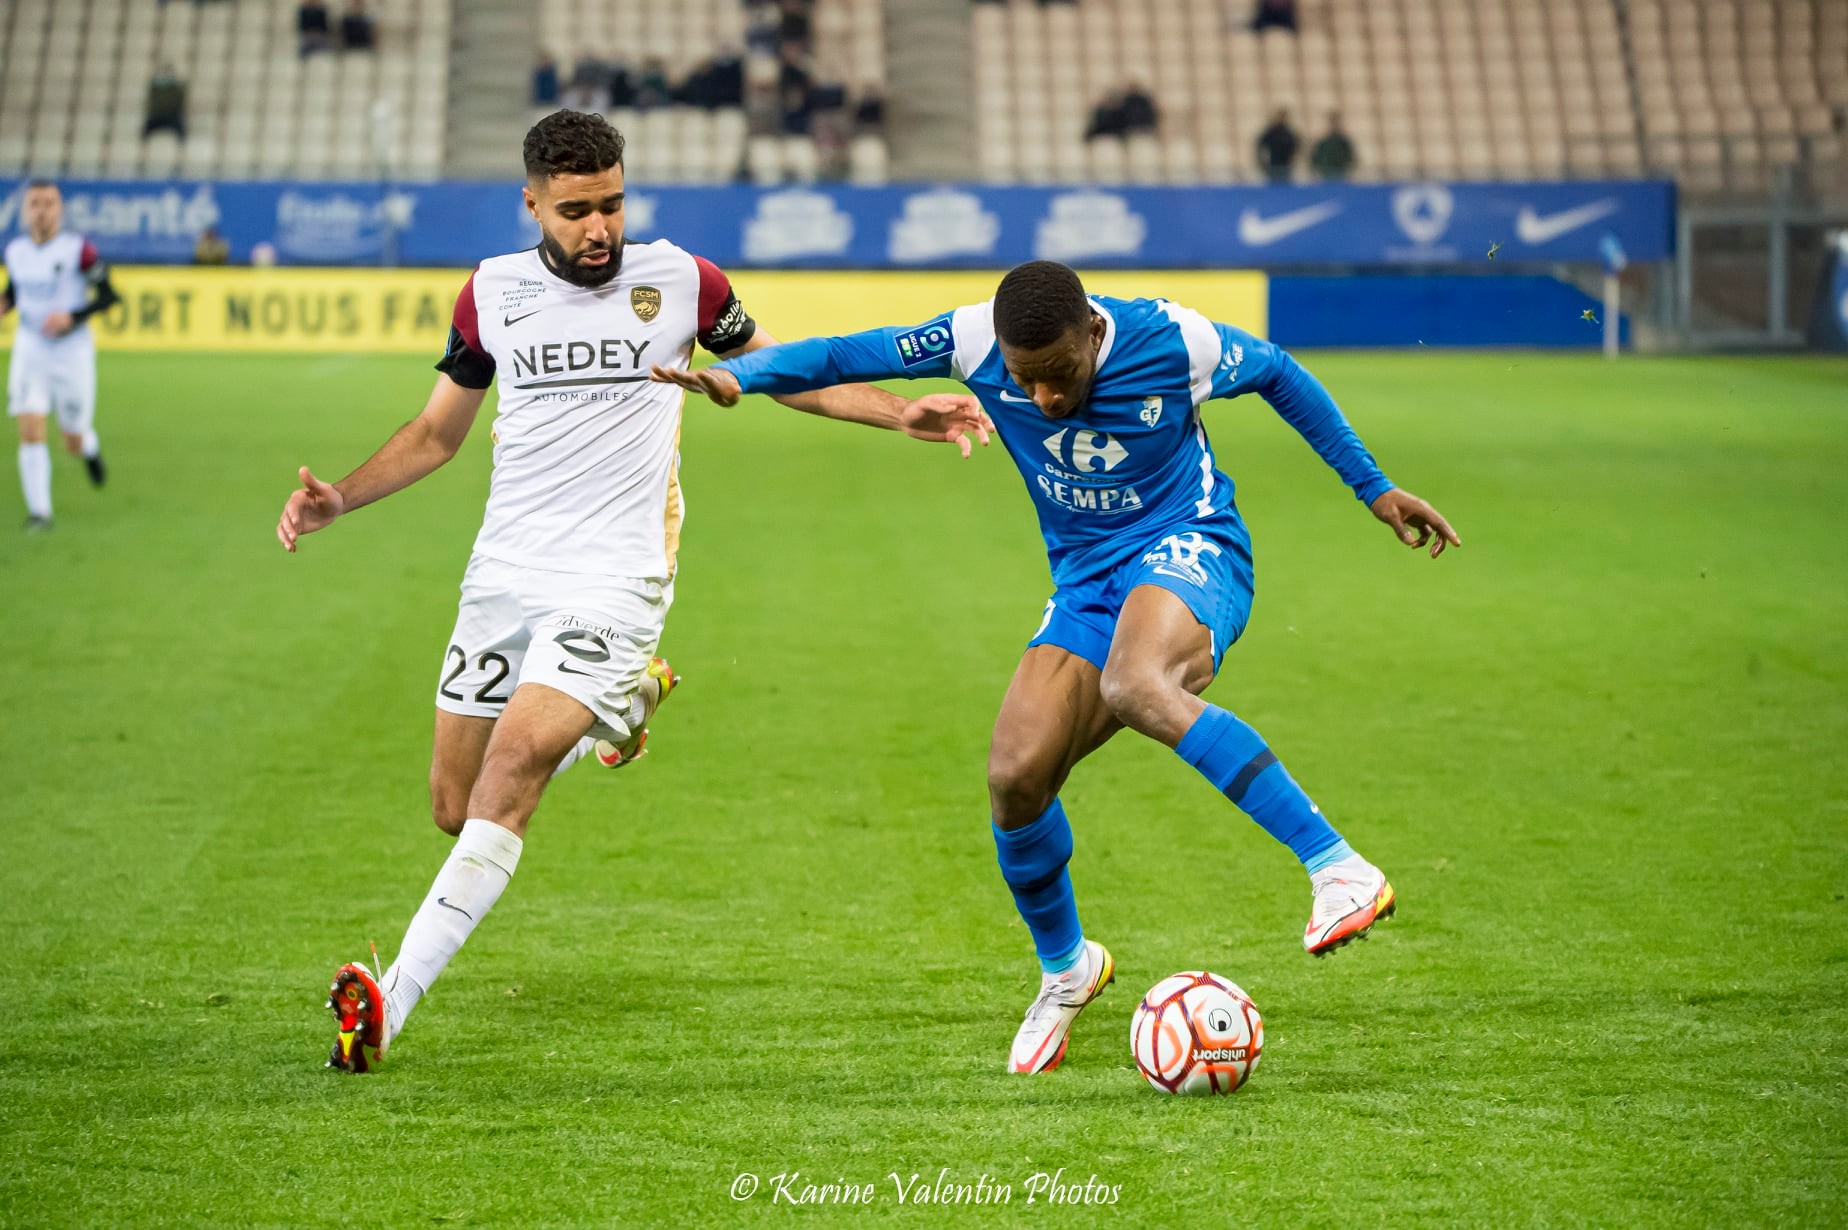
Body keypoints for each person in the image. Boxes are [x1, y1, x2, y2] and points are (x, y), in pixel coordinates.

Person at [275, 110, 989, 1073]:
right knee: (457, 804)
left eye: (611, 203)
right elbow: (438, 433)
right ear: (531, 202)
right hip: (505, 573)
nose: (599, 227)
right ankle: (628, 703)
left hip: (617, 576)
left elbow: (784, 370)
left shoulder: (681, 281)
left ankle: (389, 1000)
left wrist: (901, 409)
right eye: (576, 211)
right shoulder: (491, 295)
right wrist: (341, 500)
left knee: (509, 781)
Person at [653, 259, 1458, 1073]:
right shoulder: (971, 337)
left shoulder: (1173, 341)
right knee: (1015, 776)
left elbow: (1281, 373)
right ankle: (1067, 970)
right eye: (1023, 380)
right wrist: (741, 378)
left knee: (1138, 684)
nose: (1042, 398)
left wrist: (1374, 488)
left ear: (1092, 336)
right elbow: (836, 356)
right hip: (1085, 583)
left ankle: (1339, 869)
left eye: (1060, 376)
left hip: (1191, 549)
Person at [4, 180, 120, 530]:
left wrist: (73, 316)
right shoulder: (16, 251)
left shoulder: (78, 250)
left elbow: (110, 296)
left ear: (60, 210)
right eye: (35, 203)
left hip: (71, 352)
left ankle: (88, 446)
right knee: (30, 426)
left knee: (71, 437)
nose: (41, 210)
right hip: (30, 347)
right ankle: (40, 513)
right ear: (25, 211)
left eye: (49, 203)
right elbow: (14, 292)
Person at [143, 64, 187, 140]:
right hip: (157, 115)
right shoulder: (155, 88)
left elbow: (179, 101)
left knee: (181, 131)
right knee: (145, 130)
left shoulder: (176, 88)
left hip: (172, 116)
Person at [1310, 112, 1356, 180]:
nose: (1335, 125)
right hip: (1326, 174)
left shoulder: (1344, 142)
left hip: (1341, 174)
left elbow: (1350, 158)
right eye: (1333, 122)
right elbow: (1316, 159)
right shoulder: (1324, 142)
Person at [1257, 108, 1299, 182]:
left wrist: (1293, 159)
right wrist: (1263, 163)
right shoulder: (1271, 133)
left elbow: (1296, 147)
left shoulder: (1289, 133)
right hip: (1273, 166)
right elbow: (1260, 146)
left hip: (1286, 167)